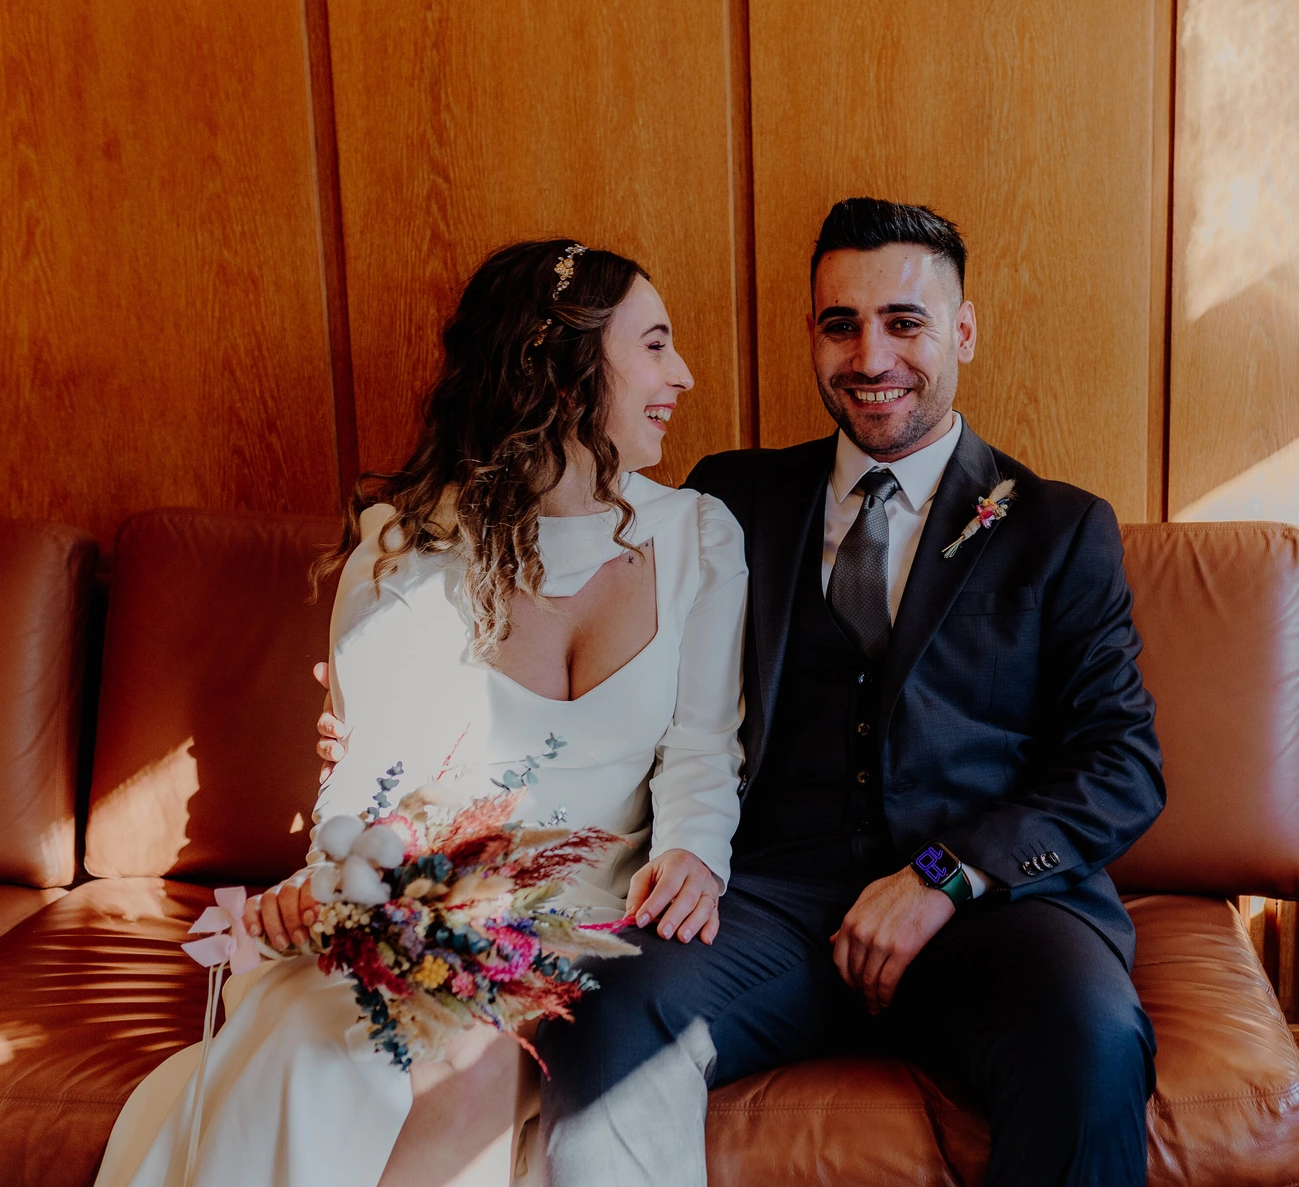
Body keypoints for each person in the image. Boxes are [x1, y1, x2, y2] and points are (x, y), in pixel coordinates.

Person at [531, 197, 1167, 1185]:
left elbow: (1121, 763)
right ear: (813, 336)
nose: (868, 356)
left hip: (986, 914)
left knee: (1088, 1032)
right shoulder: (726, 498)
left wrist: (945, 873)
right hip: (762, 907)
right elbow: (584, 603)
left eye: (902, 322)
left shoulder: (1057, 525)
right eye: (840, 324)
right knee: (601, 1003)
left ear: (961, 330)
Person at [95, 240, 747, 1187]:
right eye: (654, 346)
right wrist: (345, 883)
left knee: (476, 1058)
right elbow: (369, 783)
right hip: (430, 913)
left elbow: (701, 746)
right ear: (561, 373)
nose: (682, 375)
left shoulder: (699, 537)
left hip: (597, 920)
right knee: (376, 1058)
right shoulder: (406, 554)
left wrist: (695, 851)